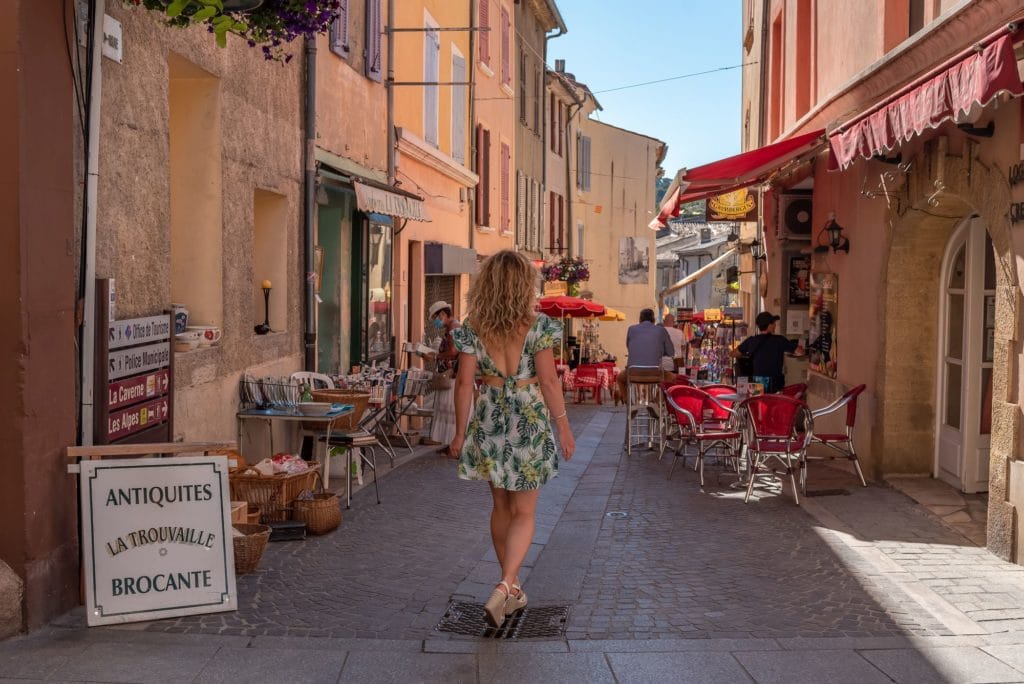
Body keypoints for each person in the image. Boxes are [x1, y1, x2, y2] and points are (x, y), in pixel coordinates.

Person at [449, 250, 575, 628]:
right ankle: (506, 584)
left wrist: (458, 432)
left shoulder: (473, 328)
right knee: (525, 512)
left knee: (501, 508)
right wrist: (564, 427)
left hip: (489, 419)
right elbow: (549, 382)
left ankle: (511, 588)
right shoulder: (538, 327)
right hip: (528, 420)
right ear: (524, 285)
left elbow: (464, 383)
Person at [731, 311, 804, 393]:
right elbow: (800, 352)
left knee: (757, 404)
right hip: (775, 383)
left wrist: (748, 354)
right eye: (773, 323)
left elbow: (734, 353)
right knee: (774, 404)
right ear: (769, 325)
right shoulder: (779, 340)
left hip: (757, 383)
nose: (775, 325)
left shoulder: (751, 341)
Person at [422, 301, 460, 454]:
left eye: (436, 318)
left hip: (452, 376)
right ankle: (449, 443)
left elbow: (453, 351)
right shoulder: (452, 328)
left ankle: (454, 445)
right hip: (450, 374)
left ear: (443, 315)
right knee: (446, 410)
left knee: (450, 410)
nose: (436, 322)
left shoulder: (453, 328)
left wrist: (436, 356)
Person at [615, 308, 675, 401]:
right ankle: (657, 401)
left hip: (633, 373)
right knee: (673, 379)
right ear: (653, 320)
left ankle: (628, 402)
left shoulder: (631, 329)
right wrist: (660, 351)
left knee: (620, 378)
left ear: (640, 319)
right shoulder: (661, 330)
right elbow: (671, 352)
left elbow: (628, 346)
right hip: (655, 374)